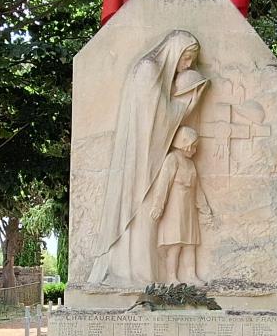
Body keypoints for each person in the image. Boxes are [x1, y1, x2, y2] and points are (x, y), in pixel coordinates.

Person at [87, 30, 209, 287]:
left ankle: (152, 276)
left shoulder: (155, 72)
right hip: (142, 159)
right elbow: (155, 118)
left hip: (151, 156)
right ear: (174, 51)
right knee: (140, 213)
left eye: (190, 60)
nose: (186, 65)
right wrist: (187, 105)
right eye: (185, 58)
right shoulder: (148, 69)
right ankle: (134, 273)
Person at [151, 127, 211, 284]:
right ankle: (172, 277)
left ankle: (191, 275)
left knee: (190, 243)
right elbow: (163, 184)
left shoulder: (191, 164)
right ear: (186, 144)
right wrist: (158, 206)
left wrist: (204, 208)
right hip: (174, 209)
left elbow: (196, 188)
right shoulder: (172, 159)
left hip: (188, 209)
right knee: (175, 244)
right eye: (194, 145)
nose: (195, 149)